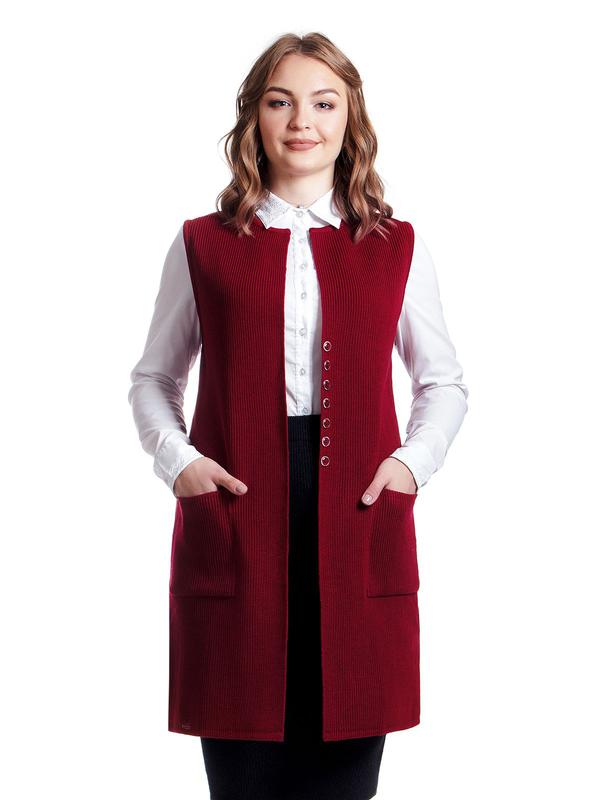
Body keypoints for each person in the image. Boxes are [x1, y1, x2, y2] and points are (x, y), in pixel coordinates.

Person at [128, 32, 469, 800]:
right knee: (243, 768)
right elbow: (153, 378)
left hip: (358, 511)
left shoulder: (395, 246)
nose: (302, 121)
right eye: (281, 102)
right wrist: (180, 463)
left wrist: (410, 464)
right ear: (256, 117)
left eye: (324, 102)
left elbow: (442, 381)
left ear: (351, 119)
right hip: (238, 513)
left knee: (346, 762)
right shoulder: (203, 244)